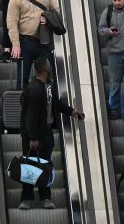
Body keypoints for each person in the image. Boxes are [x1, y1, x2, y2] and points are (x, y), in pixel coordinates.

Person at [18, 57, 84, 210]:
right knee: (31, 167)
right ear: (45, 69)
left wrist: (72, 111)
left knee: (44, 166)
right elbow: (30, 116)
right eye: (48, 64)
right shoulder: (34, 89)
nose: (50, 65)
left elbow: (55, 103)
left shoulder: (47, 86)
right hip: (33, 136)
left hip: (45, 133)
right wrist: (33, 138)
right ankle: (27, 198)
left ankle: (45, 197)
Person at [6, 0, 59, 89]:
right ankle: (23, 105)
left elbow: (56, 10)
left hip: (44, 40)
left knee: (48, 75)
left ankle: (50, 104)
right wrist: (15, 44)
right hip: (26, 41)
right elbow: (12, 23)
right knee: (23, 78)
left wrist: (47, 17)